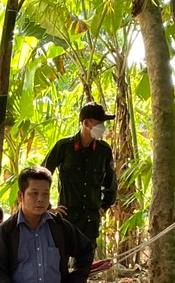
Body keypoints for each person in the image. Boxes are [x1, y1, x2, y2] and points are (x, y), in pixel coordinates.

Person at [42, 102, 118, 245]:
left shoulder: (104, 151)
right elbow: (42, 175)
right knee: (61, 258)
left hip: (90, 223)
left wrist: (104, 206)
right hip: (66, 219)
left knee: (86, 259)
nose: (103, 127)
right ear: (86, 123)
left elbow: (111, 183)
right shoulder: (64, 147)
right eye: (99, 123)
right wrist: (48, 208)